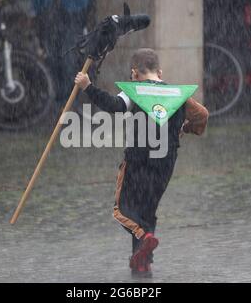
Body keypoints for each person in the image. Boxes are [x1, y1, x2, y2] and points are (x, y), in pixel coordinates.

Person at [74, 48, 209, 277]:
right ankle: (143, 261)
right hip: (165, 164)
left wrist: (87, 85)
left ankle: (143, 238)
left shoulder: (134, 91)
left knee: (123, 210)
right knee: (147, 211)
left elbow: (113, 106)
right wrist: (185, 128)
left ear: (134, 74)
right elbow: (202, 115)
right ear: (160, 72)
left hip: (137, 160)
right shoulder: (177, 94)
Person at [31, 0, 90, 103]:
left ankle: (66, 99)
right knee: (53, 57)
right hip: (48, 9)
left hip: (71, 9)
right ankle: (59, 97)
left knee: (67, 57)